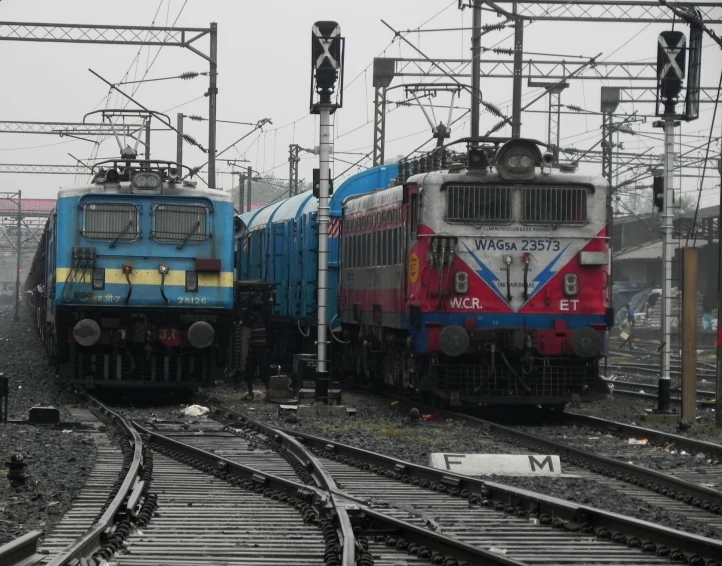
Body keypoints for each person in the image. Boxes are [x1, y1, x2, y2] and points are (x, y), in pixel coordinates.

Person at [245, 310, 270, 395]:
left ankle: (251, 394)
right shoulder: (261, 323)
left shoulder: (254, 323)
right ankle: (266, 392)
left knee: (253, 371)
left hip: (257, 348)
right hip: (257, 348)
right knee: (261, 370)